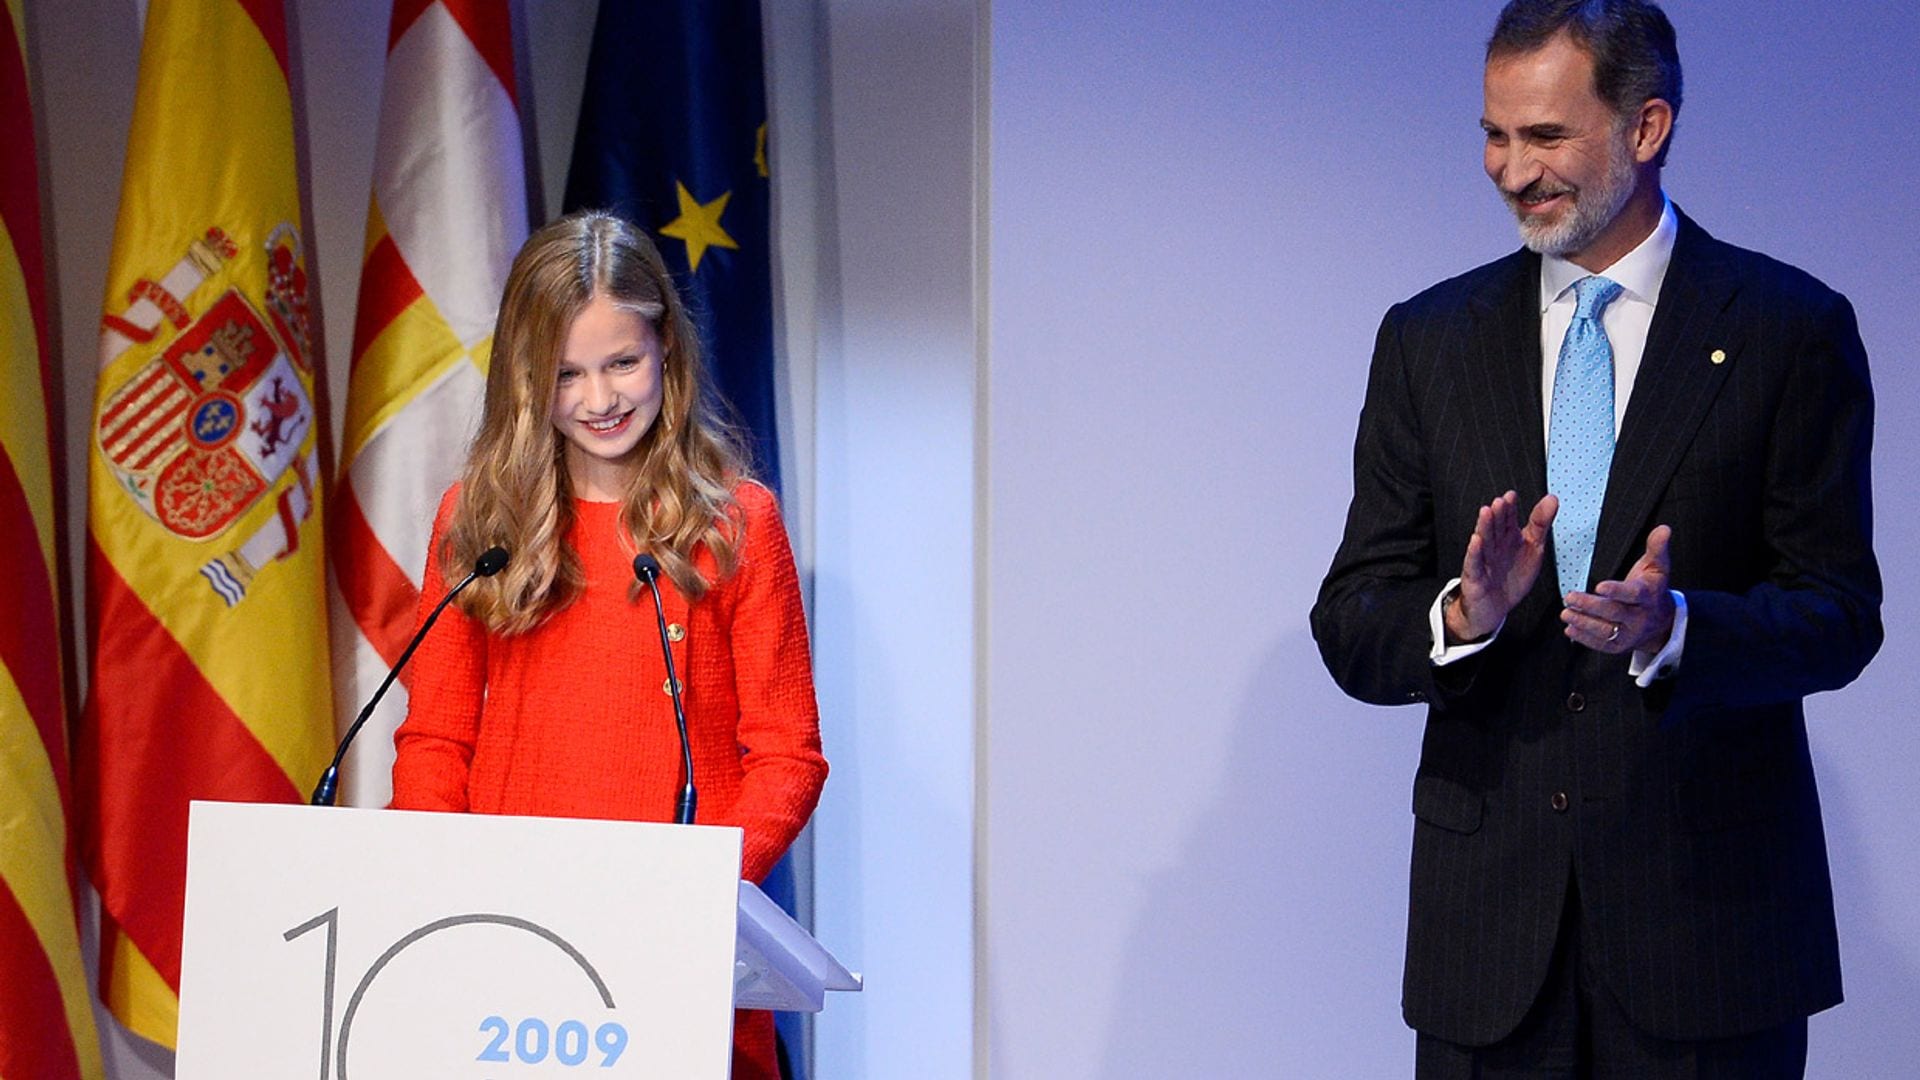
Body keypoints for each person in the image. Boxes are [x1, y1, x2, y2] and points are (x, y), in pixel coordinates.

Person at [1310, 1, 1881, 1075]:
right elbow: (1350, 620)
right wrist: (1462, 615)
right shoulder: (1429, 340)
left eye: (1546, 136)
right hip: (1490, 951)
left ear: (1647, 127)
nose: (1511, 171)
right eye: (1494, 134)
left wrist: (1676, 630)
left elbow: (1840, 617)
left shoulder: (1784, 328)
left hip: (1710, 938)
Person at [390, 210, 828, 1080]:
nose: (601, 399)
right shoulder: (478, 521)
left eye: (622, 362)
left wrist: (689, 890)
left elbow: (788, 756)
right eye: (567, 374)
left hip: (673, 950)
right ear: (526, 378)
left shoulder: (735, 524)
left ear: (666, 349)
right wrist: (431, 886)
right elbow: (436, 740)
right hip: (508, 948)